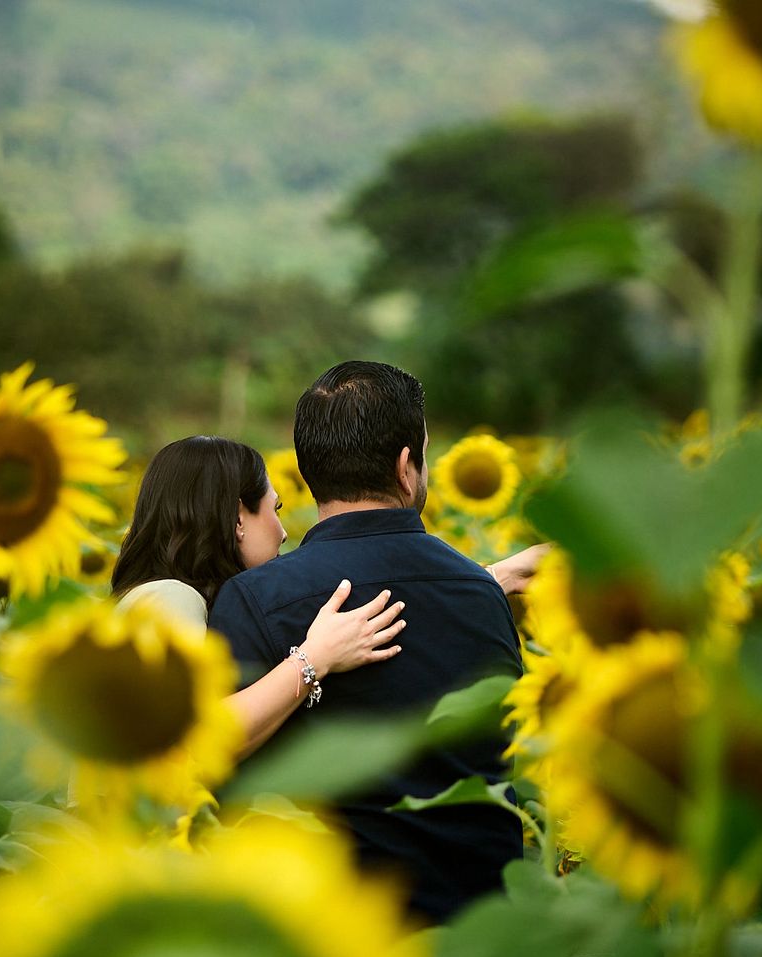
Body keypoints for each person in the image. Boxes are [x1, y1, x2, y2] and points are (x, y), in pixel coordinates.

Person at [207, 360, 540, 922]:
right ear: (407, 466)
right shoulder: (482, 594)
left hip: (334, 938)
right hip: (480, 930)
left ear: (310, 472)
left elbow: (209, 766)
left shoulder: (255, 600)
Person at [111, 436, 407, 757]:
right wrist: (315, 657)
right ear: (238, 517)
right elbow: (196, 737)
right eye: (275, 508)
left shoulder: (161, 597)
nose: (282, 531)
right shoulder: (169, 598)